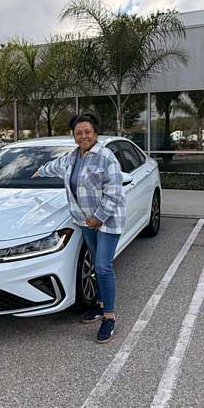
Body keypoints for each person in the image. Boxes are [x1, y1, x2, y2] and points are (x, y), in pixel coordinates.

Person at [35, 113, 125, 344]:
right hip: (85, 221)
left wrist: (98, 218)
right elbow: (54, 167)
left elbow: (114, 193)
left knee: (103, 266)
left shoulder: (107, 158)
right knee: (95, 264)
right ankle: (99, 304)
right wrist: (38, 171)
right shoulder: (72, 157)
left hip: (106, 222)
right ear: (73, 135)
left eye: (87, 131)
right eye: (79, 132)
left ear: (95, 133)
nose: (83, 136)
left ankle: (109, 317)